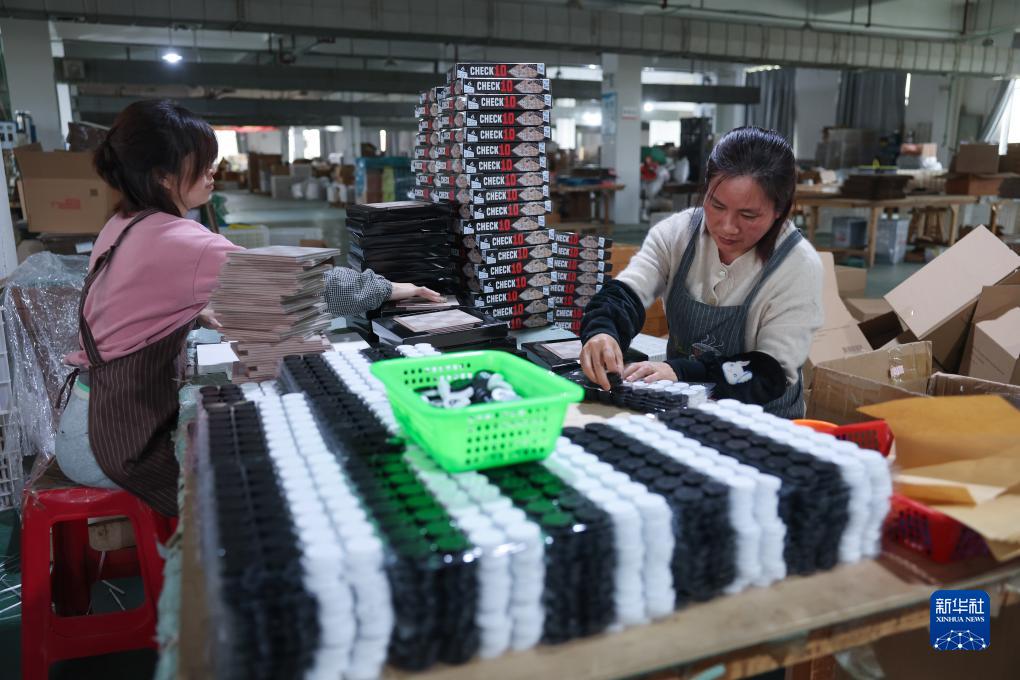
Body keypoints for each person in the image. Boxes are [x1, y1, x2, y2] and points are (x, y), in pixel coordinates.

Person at [54, 100, 439, 516]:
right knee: (262, 460)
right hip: (113, 442)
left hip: (90, 413)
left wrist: (192, 313)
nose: (212, 171)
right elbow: (299, 283)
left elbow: (131, 304)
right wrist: (389, 288)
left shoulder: (125, 223)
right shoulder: (181, 241)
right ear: (162, 176)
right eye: (200, 163)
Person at [579, 127, 823, 418]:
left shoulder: (796, 265)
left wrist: (680, 372)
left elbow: (769, 373)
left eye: (748, 215)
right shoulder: (678, 234)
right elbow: (627, 293)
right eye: (716, 205)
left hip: (765, 422)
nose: (727, 226)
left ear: (780, 210)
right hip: (682, 410)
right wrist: (603, 332)